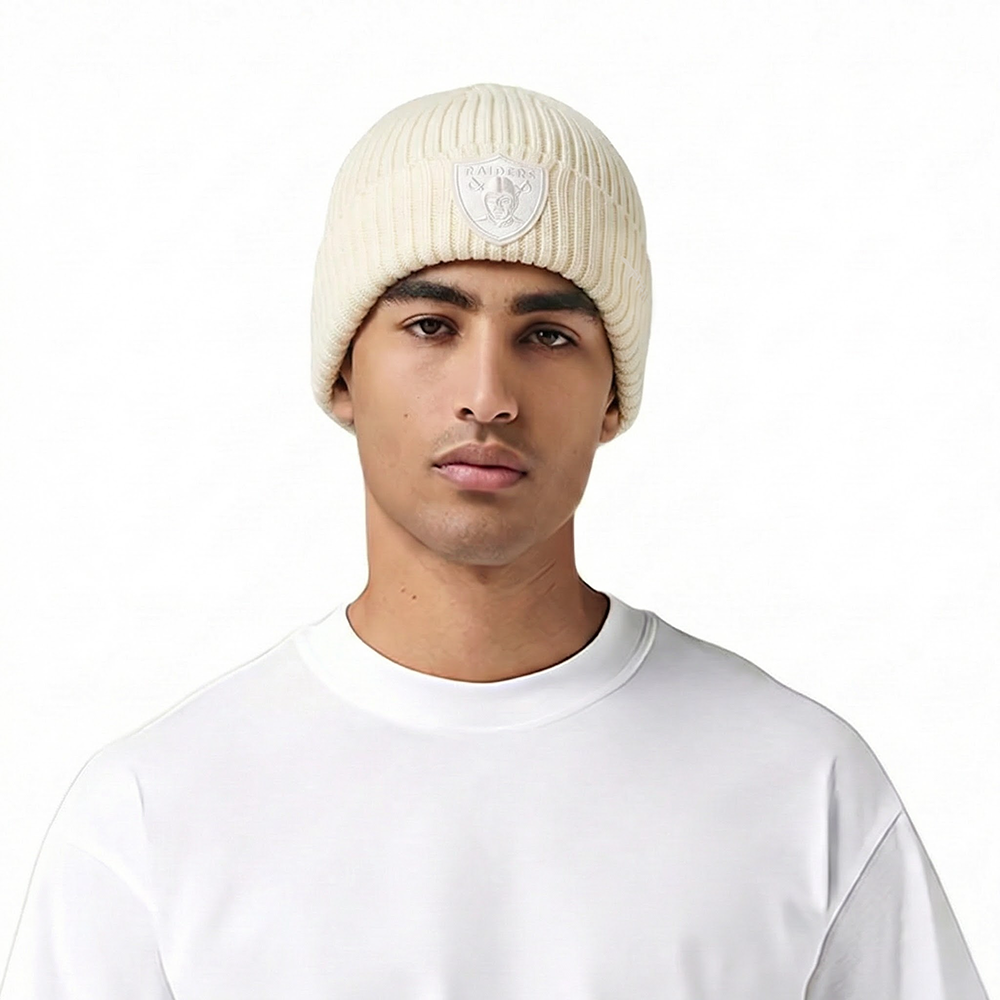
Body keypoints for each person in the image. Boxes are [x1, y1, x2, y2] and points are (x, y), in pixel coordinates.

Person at [0, 81, 990, 1000]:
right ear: (342, 374)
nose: (488, 395)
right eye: (432, 325)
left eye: (548, 335)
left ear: (613, 396)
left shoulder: (803, 783)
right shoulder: (153, 811)